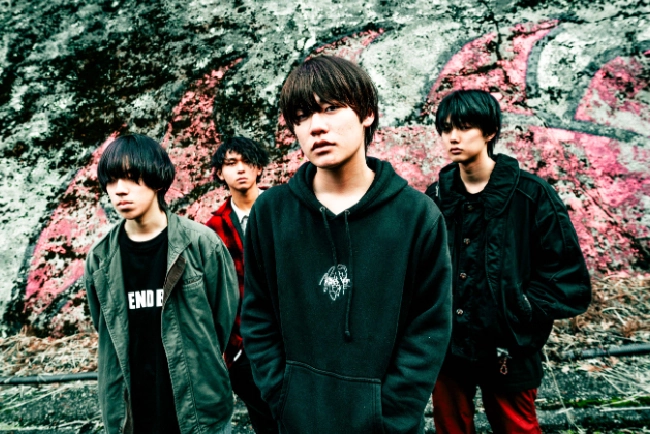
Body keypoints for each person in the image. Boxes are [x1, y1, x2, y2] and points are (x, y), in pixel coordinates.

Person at [240, 55, 453, 434]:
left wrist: (387, 415)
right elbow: (258, 315)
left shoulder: (417, 216)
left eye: (331, 108)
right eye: (302, 116)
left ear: (367, 114)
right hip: (297, 421)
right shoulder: (271, 213)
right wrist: (282, 395)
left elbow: (429, 329)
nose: (316, 126)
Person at [425, 90, 592, 433]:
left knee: (517, 428)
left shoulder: (531, 195)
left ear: (489, 132)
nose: (453, 137)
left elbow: (567, 278)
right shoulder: (437, 197)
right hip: (448, 348)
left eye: (464, 127)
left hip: (507, 348)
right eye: (446, 128)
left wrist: (520, 310)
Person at [85, 134, 239, 434]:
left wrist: (200, 363)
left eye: (131, 178)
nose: (120, 190)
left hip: (197, 408)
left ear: (157, 179)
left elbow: (223, 321)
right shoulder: (100, 258)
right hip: (132, 410)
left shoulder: (201, 244)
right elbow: (106, 328)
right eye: (112, 181)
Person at [205, 136, 277, 434]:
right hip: (243, 343)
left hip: (291, 337)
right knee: (263, 418)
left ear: (259, 168)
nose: (241, 169)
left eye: (248, 162)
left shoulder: (284, 209)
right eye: (231, 163)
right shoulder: (213, 229)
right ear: (220, 173)